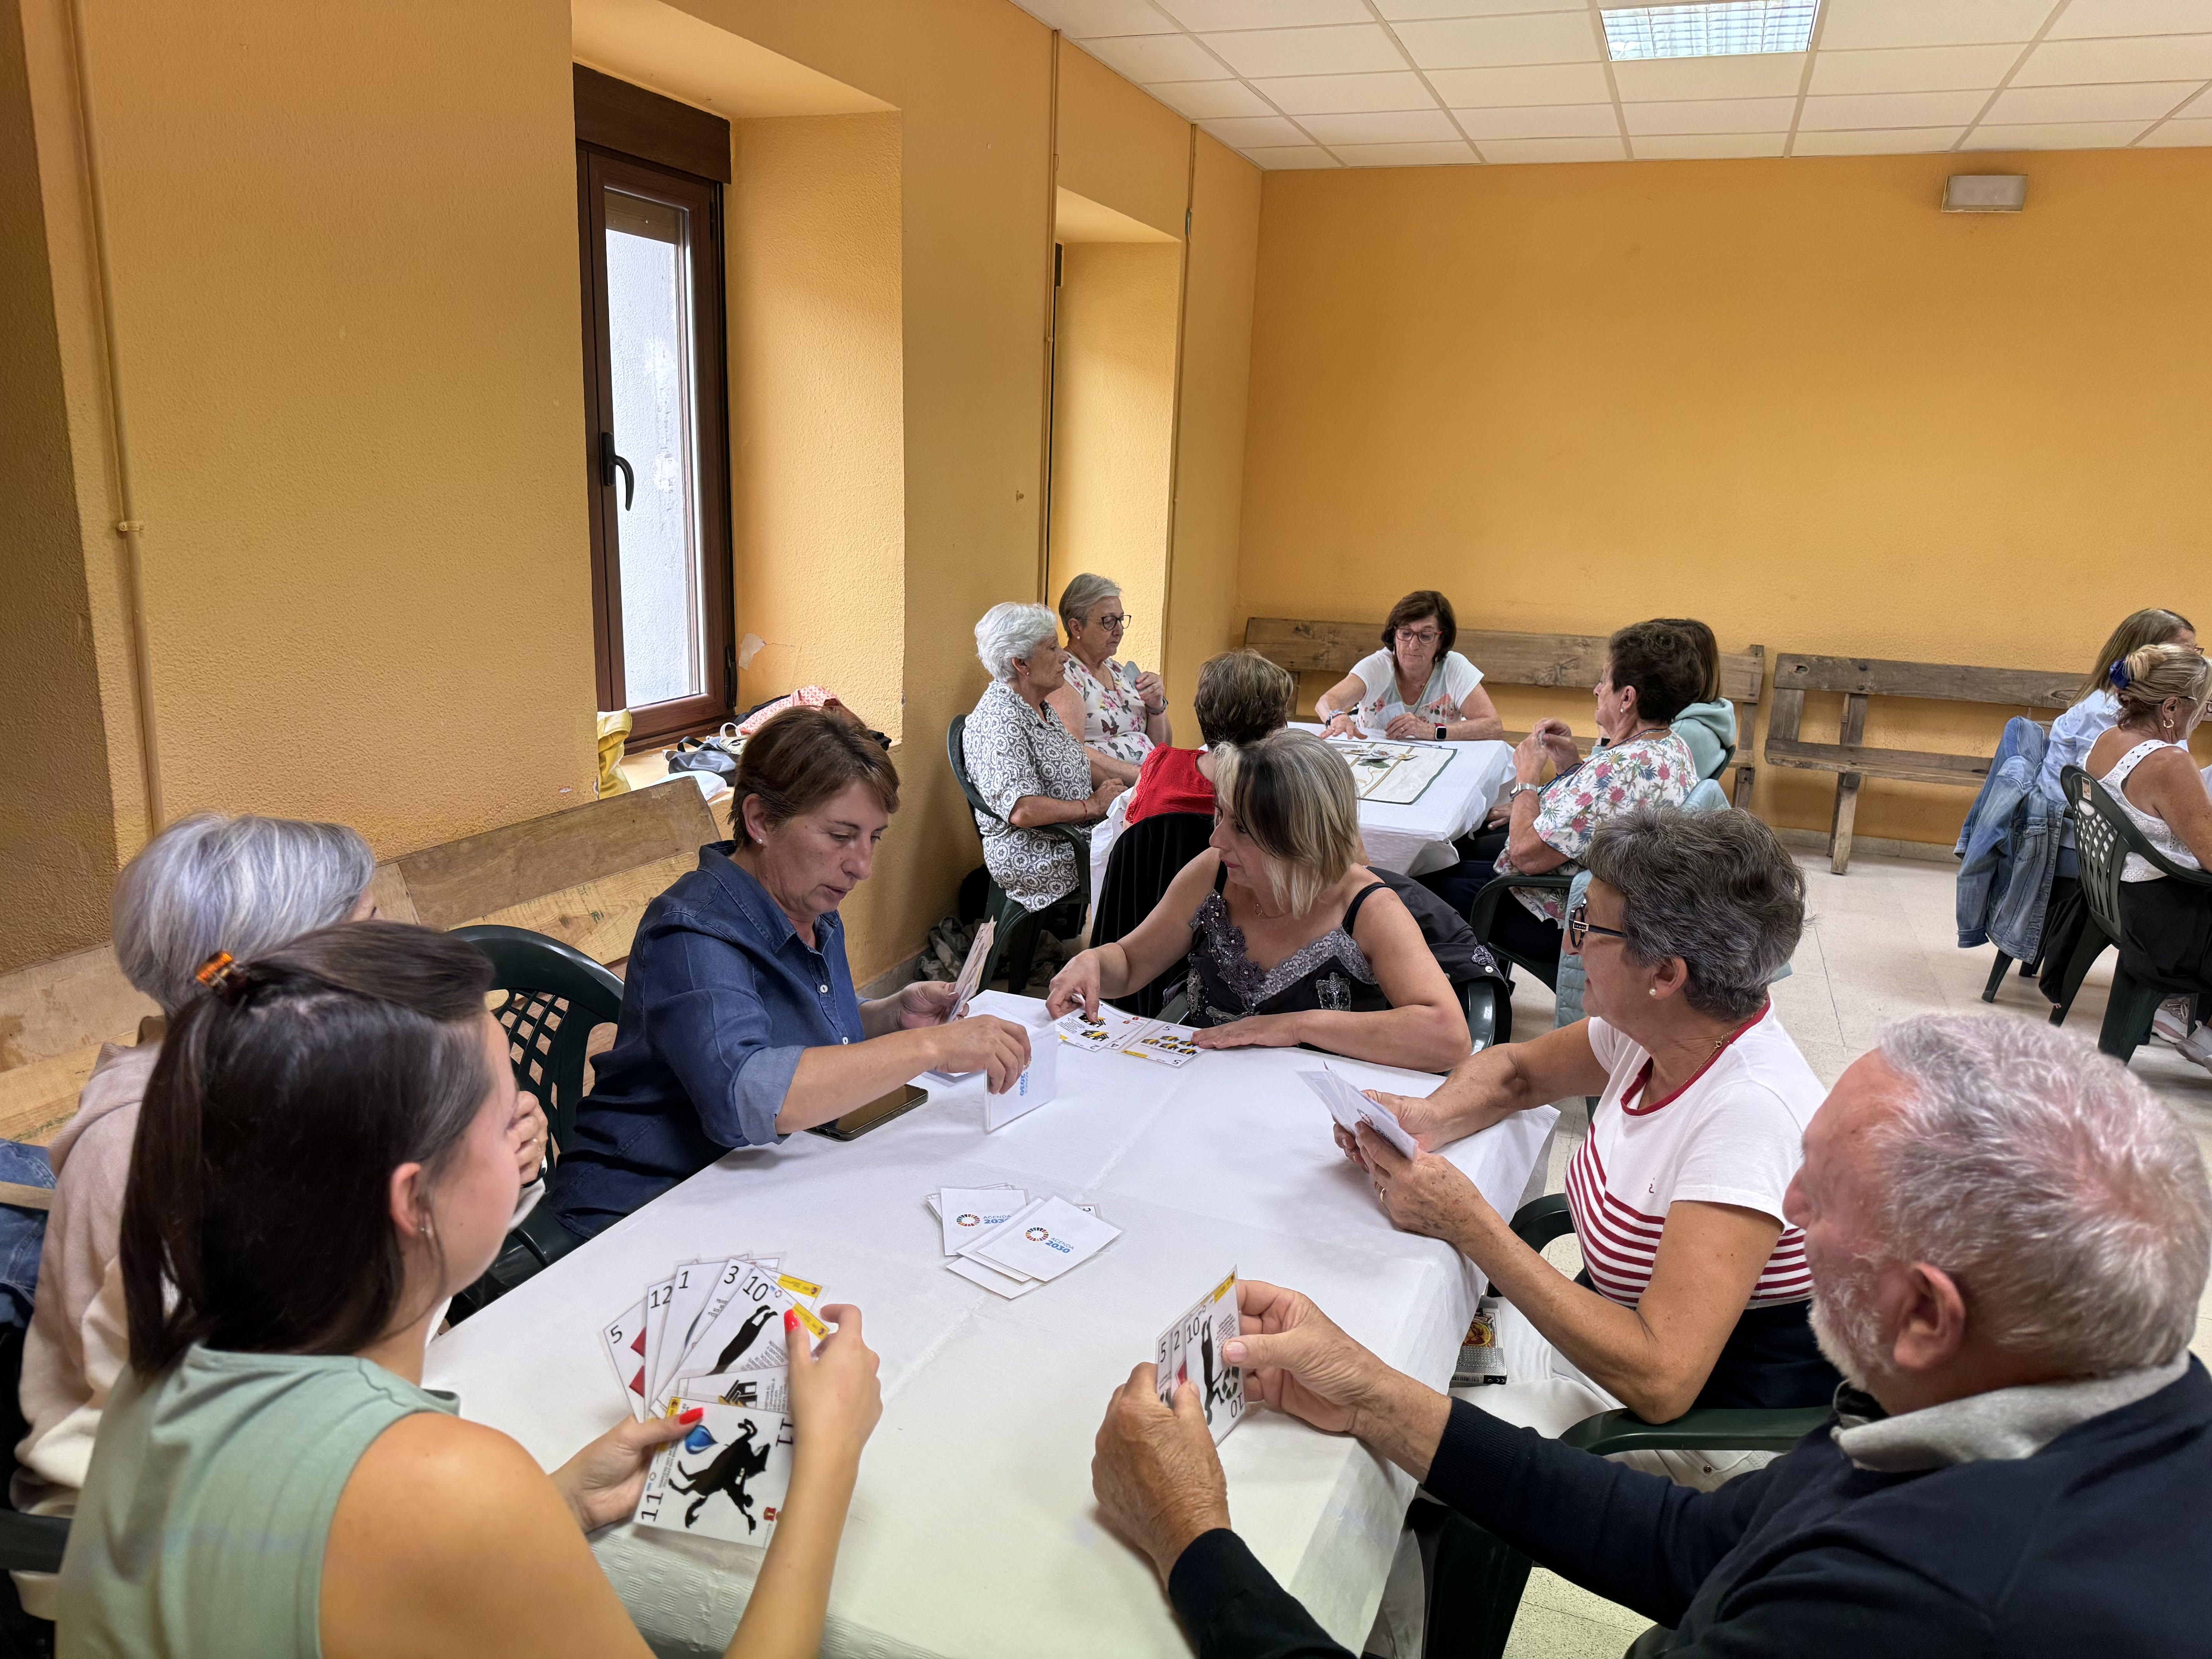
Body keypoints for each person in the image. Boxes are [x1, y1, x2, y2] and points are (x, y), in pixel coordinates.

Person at [1092, 1014, 2212, 1658]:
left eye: (1813, 1203)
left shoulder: (1912, 1604)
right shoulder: (2071, 1395)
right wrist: (1380, 1393)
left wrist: (1194, 1538)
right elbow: (1694, 1544)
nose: (1789, 1225)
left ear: (1927, 1314)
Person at [58, 922, 883, 1658]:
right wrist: (829, 1461)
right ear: (416, 1202)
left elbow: (306, 1575)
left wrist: (550, 1510)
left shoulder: (164, 1367)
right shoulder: (443, 1484)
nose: (531, 1124)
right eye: (506, 1116)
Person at [12, 814, 549, 1626]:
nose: (394, 941)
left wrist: (491, 1163)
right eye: (369, 926)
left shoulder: (272, 1094)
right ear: (296, 969)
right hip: (164, 1555)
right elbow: (248, 1404)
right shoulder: (157, 1143)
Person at [1352, 806, 1833, 1487]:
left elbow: (1662, 1377)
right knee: (1392, 1351)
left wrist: (1469, 1223)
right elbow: (1517, 1072)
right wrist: (1421, 1117)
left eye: (1588, 924)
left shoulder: (1747, 1114)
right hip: (1614, 1341)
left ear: (1664, 973)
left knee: (1386, 1445)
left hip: (1706, 1426)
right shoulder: (1661, 1030)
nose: (1570, 946)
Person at [550, 709, 1032, 1238]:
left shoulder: (812, 906)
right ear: (760, 821)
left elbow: (792, 1039)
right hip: (640, 1205)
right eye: (842, 835)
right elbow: (747, 1093)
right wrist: (933, 1050)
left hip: (750, 1183)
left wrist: (888, 1016)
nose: (862, 865)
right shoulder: (693, 934)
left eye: (875, 838)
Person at [1046, 730, 1469, 1073]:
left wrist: (1294, 1027)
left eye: (1242, 828)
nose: (1216, 839)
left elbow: (1448, 1039)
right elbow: (1133, 962)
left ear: (1300, 837)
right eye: (1221, 816)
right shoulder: (1212, 872)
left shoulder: (1367, 909)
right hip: (1201, 1094)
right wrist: (1095, 963)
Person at [1434, 620, 1707, 974]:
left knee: (1422, 886)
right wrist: (1571, 766)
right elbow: (1601, 811)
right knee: (1451, 854)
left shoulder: (1619, 769)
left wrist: (1528, 779)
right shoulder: (1670, 746)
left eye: (1605, 681)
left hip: (1561, 913)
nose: (1597, 689)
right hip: (1599, 896)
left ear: (1627, 698)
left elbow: (1527, 856)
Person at [2035, 607, 2196, 1006]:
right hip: (2101, 857)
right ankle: (2181, 1008)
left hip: (2104, 852)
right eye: (2184, 655)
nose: (2195, 665)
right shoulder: (2120, 725)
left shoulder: (2120, 720)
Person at [2083, 642, 2212, 1067]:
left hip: (2122, 902)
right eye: (2204, 704)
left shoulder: (2110, 739)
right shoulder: (2171, 762)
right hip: (2165, 922)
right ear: (2172, 706)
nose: (2204, 714)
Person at [963, 601, 1125, 915]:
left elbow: (1074, 759)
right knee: (1149, 851)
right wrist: (1091, 807)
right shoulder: (1001, 720)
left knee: (1159, 829)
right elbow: (1022, 810)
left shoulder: (1037, 704)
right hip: (1040, 853)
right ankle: (1123, 954)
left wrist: (1120, 795)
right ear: (1022, 664)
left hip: (1071, 836)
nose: (1065, 656)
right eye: (1052, 649)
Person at [1122, 650, 1296, 830]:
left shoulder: (1159, 764)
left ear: (1202, 708)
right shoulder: (1276, 795)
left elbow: (1127, 842)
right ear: (1275, 727)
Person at [1315, 591, 1503, 742]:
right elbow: (1326, 702)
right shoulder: (1379, 665)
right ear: (1394, 634)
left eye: (1426, 636)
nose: (1413, 645)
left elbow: (1493, 726)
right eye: (1405, 633)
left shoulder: (1454, 667)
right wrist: (1338, 717)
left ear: (1441, 639)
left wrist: (1430, 731)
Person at [1047, 573, 1172, 786]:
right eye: (1108, 622)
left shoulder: (1119, 671)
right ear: (1076, 627)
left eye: (1121, 620)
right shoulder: (1063, 675)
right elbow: (1072, 750)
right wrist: (1143, 779)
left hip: (1150, 784)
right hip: (1116, 792)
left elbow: (1162, 746)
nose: (1120, 630)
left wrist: (1156, 705)